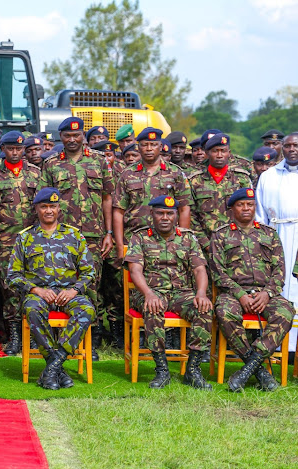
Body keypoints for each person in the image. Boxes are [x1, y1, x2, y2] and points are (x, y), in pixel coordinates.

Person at [6, 187, 96, 389]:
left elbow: (90, 272)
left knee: (87, 310)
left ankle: (54, 365)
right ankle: (56, 367)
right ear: (36, 209)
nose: (49, 211)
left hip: (68, 293)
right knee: (32, 310)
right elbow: (12, 276)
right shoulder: (25, 238)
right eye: (44, 207)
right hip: (39, 294)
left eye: (53, 206)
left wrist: (74, 290)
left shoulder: (74, 235)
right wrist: (36, 290)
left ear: (59, 209)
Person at [39, 117, 115, 355]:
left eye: (76, 135)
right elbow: (43, 203)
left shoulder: (99, 161)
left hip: (93, 235)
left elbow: (107, 198)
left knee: (90, 287)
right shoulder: (51, 164)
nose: (72, 139)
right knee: (60, 282)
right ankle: (60, 339)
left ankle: (89, 340)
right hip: (60, 237)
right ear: (60, 137)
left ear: (83, 135)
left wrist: (109, 233)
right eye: (67, 135)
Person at [124, 195, 212, 390]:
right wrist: (148, 293)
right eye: (160, 213)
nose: (165, 217)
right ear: (152, 215)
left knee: (204, 309)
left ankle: (193, 369)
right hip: (151, 291)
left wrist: (201, 293)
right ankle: (162, 370)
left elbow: (199, 269)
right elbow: (135, 270)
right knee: (153, 307)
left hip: (182, 293)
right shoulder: (140, 237)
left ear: (176, 216)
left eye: (169, 214)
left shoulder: (188, 238)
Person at [210, 187, 293, 392]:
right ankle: (259, 371)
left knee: (285, 312)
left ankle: (249, 368)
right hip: (233, 293)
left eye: (250, 204)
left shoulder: (269, 234)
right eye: (241, 205)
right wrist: (240, 295)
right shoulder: (220, 235)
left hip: (266, 293)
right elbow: (218, 273)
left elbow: (280, 271)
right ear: (232, 209)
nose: (246, 208)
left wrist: (267, 293)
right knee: (224, 312)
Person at [0, 131, 42, 355]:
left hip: (32, 240)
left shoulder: (36, 173)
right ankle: (14, 337)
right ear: (3, 149)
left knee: (32, 286)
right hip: (7, 240)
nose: (15, 152)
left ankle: (31, 336)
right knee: (9, 289)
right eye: (11, 148)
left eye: (19, 149)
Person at [113, 127, 192, 264]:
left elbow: (184, 208)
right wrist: (120, 246)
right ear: (138, 147)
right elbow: (118, 211)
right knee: (131, 283)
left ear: (160, 147)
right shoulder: (127, 174)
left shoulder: (175, 173)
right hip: (133, 240)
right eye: (145, 145)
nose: (149, 149)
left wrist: (181, 240)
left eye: (153, 144)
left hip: (167, 241)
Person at [256, 132, 298, 354]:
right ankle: (275, 346)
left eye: (296, 145)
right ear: (281, 148)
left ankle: (294, 350)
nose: (292, 149)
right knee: (277, 289)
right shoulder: (269, 176)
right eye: (288, 145)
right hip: (276, 236)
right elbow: (259, 214)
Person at [188, 133, 252, 251]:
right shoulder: (195, 180)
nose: (219, 155)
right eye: (215, 151)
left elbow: (249, 212)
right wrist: (205, 243)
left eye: (223, 151)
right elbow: (191, 215)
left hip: (238, 244)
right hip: (205, 246)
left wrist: (241, 238)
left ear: (229, 153)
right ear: (207, 153)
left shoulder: (241, 178)